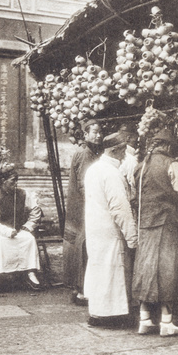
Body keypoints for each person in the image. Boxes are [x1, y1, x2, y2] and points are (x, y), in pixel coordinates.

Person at [132, 128, 178, 336]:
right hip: (166, 223)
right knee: (166, 269)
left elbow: (135, 196)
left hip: (145, 223)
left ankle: (145, 319)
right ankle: (166, 322)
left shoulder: (141, 166)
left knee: (146, 269)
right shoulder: (172, 164)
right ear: (167, 147)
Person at [84, 131, 138, 327]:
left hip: (95, 228)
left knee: (99, 270)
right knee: (111, 272)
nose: (125, 154)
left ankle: (97, 313)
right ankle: (111, 316)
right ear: (115, 150)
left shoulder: (94, 169)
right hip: (109, 230)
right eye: (123, 150)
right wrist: (132, 237)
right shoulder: (111, 173)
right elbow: (120, 208)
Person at [63, 119, 103, 305]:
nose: (98, 135)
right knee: (84, 247)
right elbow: (85, 185)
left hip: (78, 208)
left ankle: (78, 288)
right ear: (85, 134)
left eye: (99, 132)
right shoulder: (86, 154)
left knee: (80, 247)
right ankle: (81, 290)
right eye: (94, 132)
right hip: (84, 208)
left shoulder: (85, 152)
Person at [0, 165, 42, 293]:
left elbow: (35, 210)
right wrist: (6, 231)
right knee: (0, 243)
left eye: (17, 180)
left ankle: (30, 272)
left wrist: (29, 226)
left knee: (29, 239)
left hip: (19, 230)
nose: (16, 183)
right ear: (4, 181)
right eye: (13, 181)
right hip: (1, 233)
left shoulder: (23, 194)